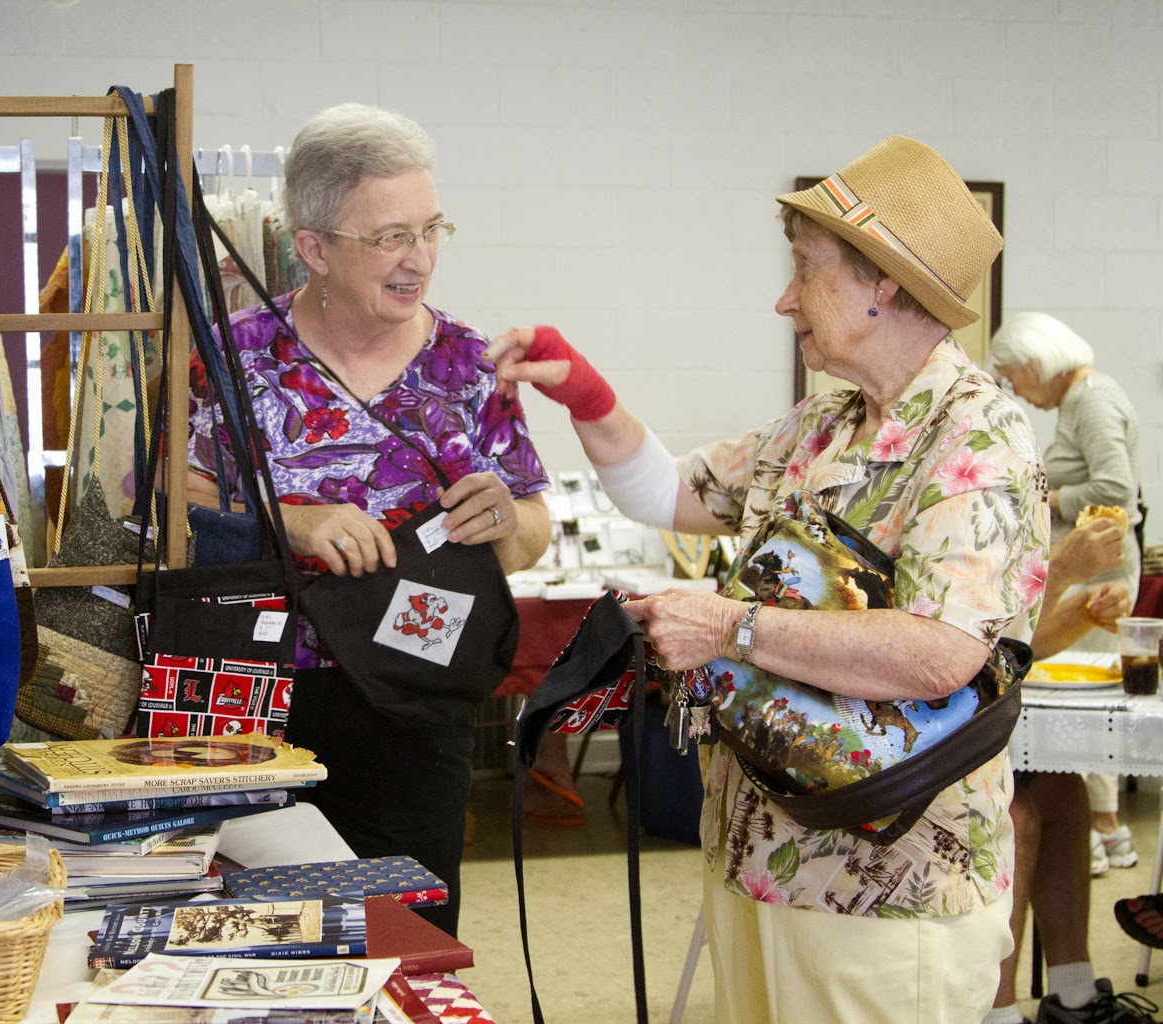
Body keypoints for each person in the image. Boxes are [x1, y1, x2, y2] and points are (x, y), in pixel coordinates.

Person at [489, 135, 1045, 1021]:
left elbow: (942, 655)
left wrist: (730, 628)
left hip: (887, 884)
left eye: (806, 271)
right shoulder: (823, 426)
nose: (784, 299)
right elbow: (670, 491)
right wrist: (582, 391)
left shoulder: (976, 442)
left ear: (883, 283)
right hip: (764, 855)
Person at [187, 103, 551, 937]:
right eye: (390, 236)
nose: (418, 258)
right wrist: (293, 522)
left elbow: (532, 534)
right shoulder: (236, 355)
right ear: (313, 246)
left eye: (431, 229)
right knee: (262, 932)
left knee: (404, 937)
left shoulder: (469, 365)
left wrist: (509, 520)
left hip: (416, 705)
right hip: (255, 704)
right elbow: (170, 511)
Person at [990, 312, 1145, 878]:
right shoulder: (1082, 401)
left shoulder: (1090, 401)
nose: (1020, 394)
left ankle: (1105, 829)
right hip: (1080, 570)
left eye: (1014, 379)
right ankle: (1100, 829)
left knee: (1084, 702)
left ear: (1037, 364)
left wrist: (1045, 500)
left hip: (1092, 572)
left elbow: (1115, 489)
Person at [985, 522, 1157, 1024]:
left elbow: (1022, 643)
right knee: (1015, 816)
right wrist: (1059, 570)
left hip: (970, 716)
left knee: (1063, 790)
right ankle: (996, 1016)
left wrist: (1084, 612)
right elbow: (978, 639)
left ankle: (1074, 997)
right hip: (898, 738)